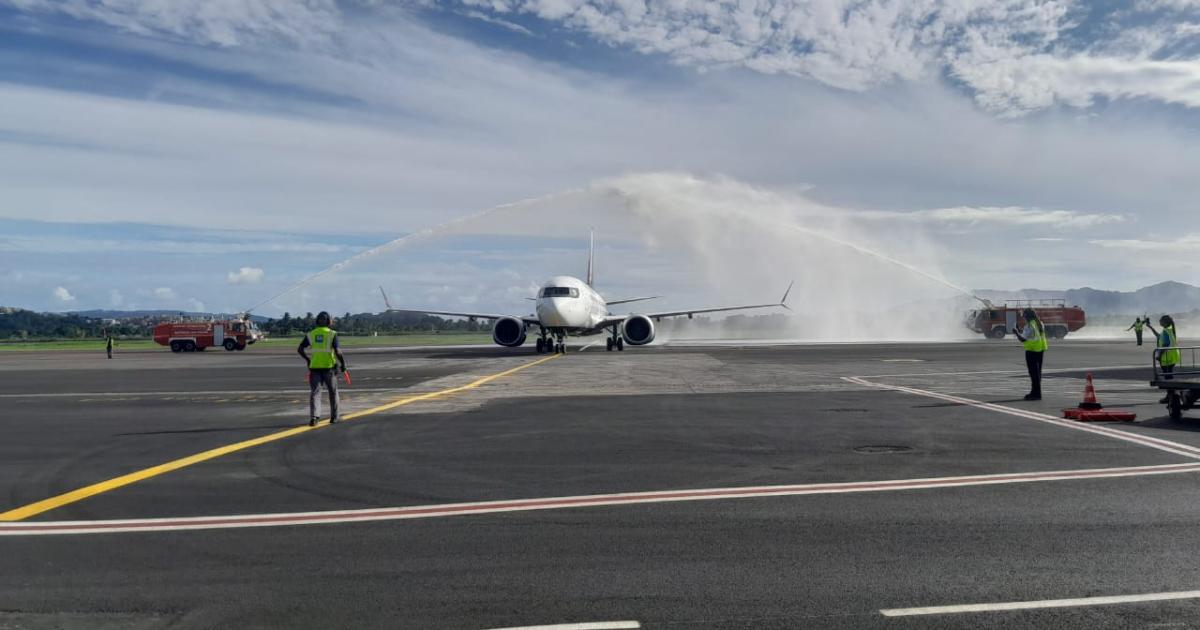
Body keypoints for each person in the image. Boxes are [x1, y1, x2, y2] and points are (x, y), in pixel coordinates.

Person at [298, 311, 347, 426]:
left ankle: (314, 418)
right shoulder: (332, 334)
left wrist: (308, 360)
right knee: (333, 393)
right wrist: (343, 363)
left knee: (315, 393)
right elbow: (338, 351)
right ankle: (334, 417)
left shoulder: (311, 334)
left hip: (314, 368)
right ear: (329, 321)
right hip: (329, 368)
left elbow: (300, 349)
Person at [1013, 308, 1047, 401]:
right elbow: (1030, 335)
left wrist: (1016, 332)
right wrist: (1020, 331)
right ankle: (1036, 392)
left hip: (1031, 351)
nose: (1024, 318)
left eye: (1024, 316)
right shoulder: (1040, 323)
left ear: (1028, 316)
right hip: (1040, 350)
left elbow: (1023, 339)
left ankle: (1035, 394)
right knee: (1037, 373)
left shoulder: (1029, 326)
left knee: (1033, 373)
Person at [1146, 315, 1180, 403]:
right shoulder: (1169, 329)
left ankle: (1170, 395)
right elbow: (1158, 336)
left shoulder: (1166, 331)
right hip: (1171, 357)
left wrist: (1159, 355)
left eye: (1160, 321)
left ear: (1164, 322)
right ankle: (1171, 395)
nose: (1159, 322)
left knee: (1168, 378)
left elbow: (1165, 345)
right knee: (1169, 376)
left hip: (1167, 358)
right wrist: (1150, 327)